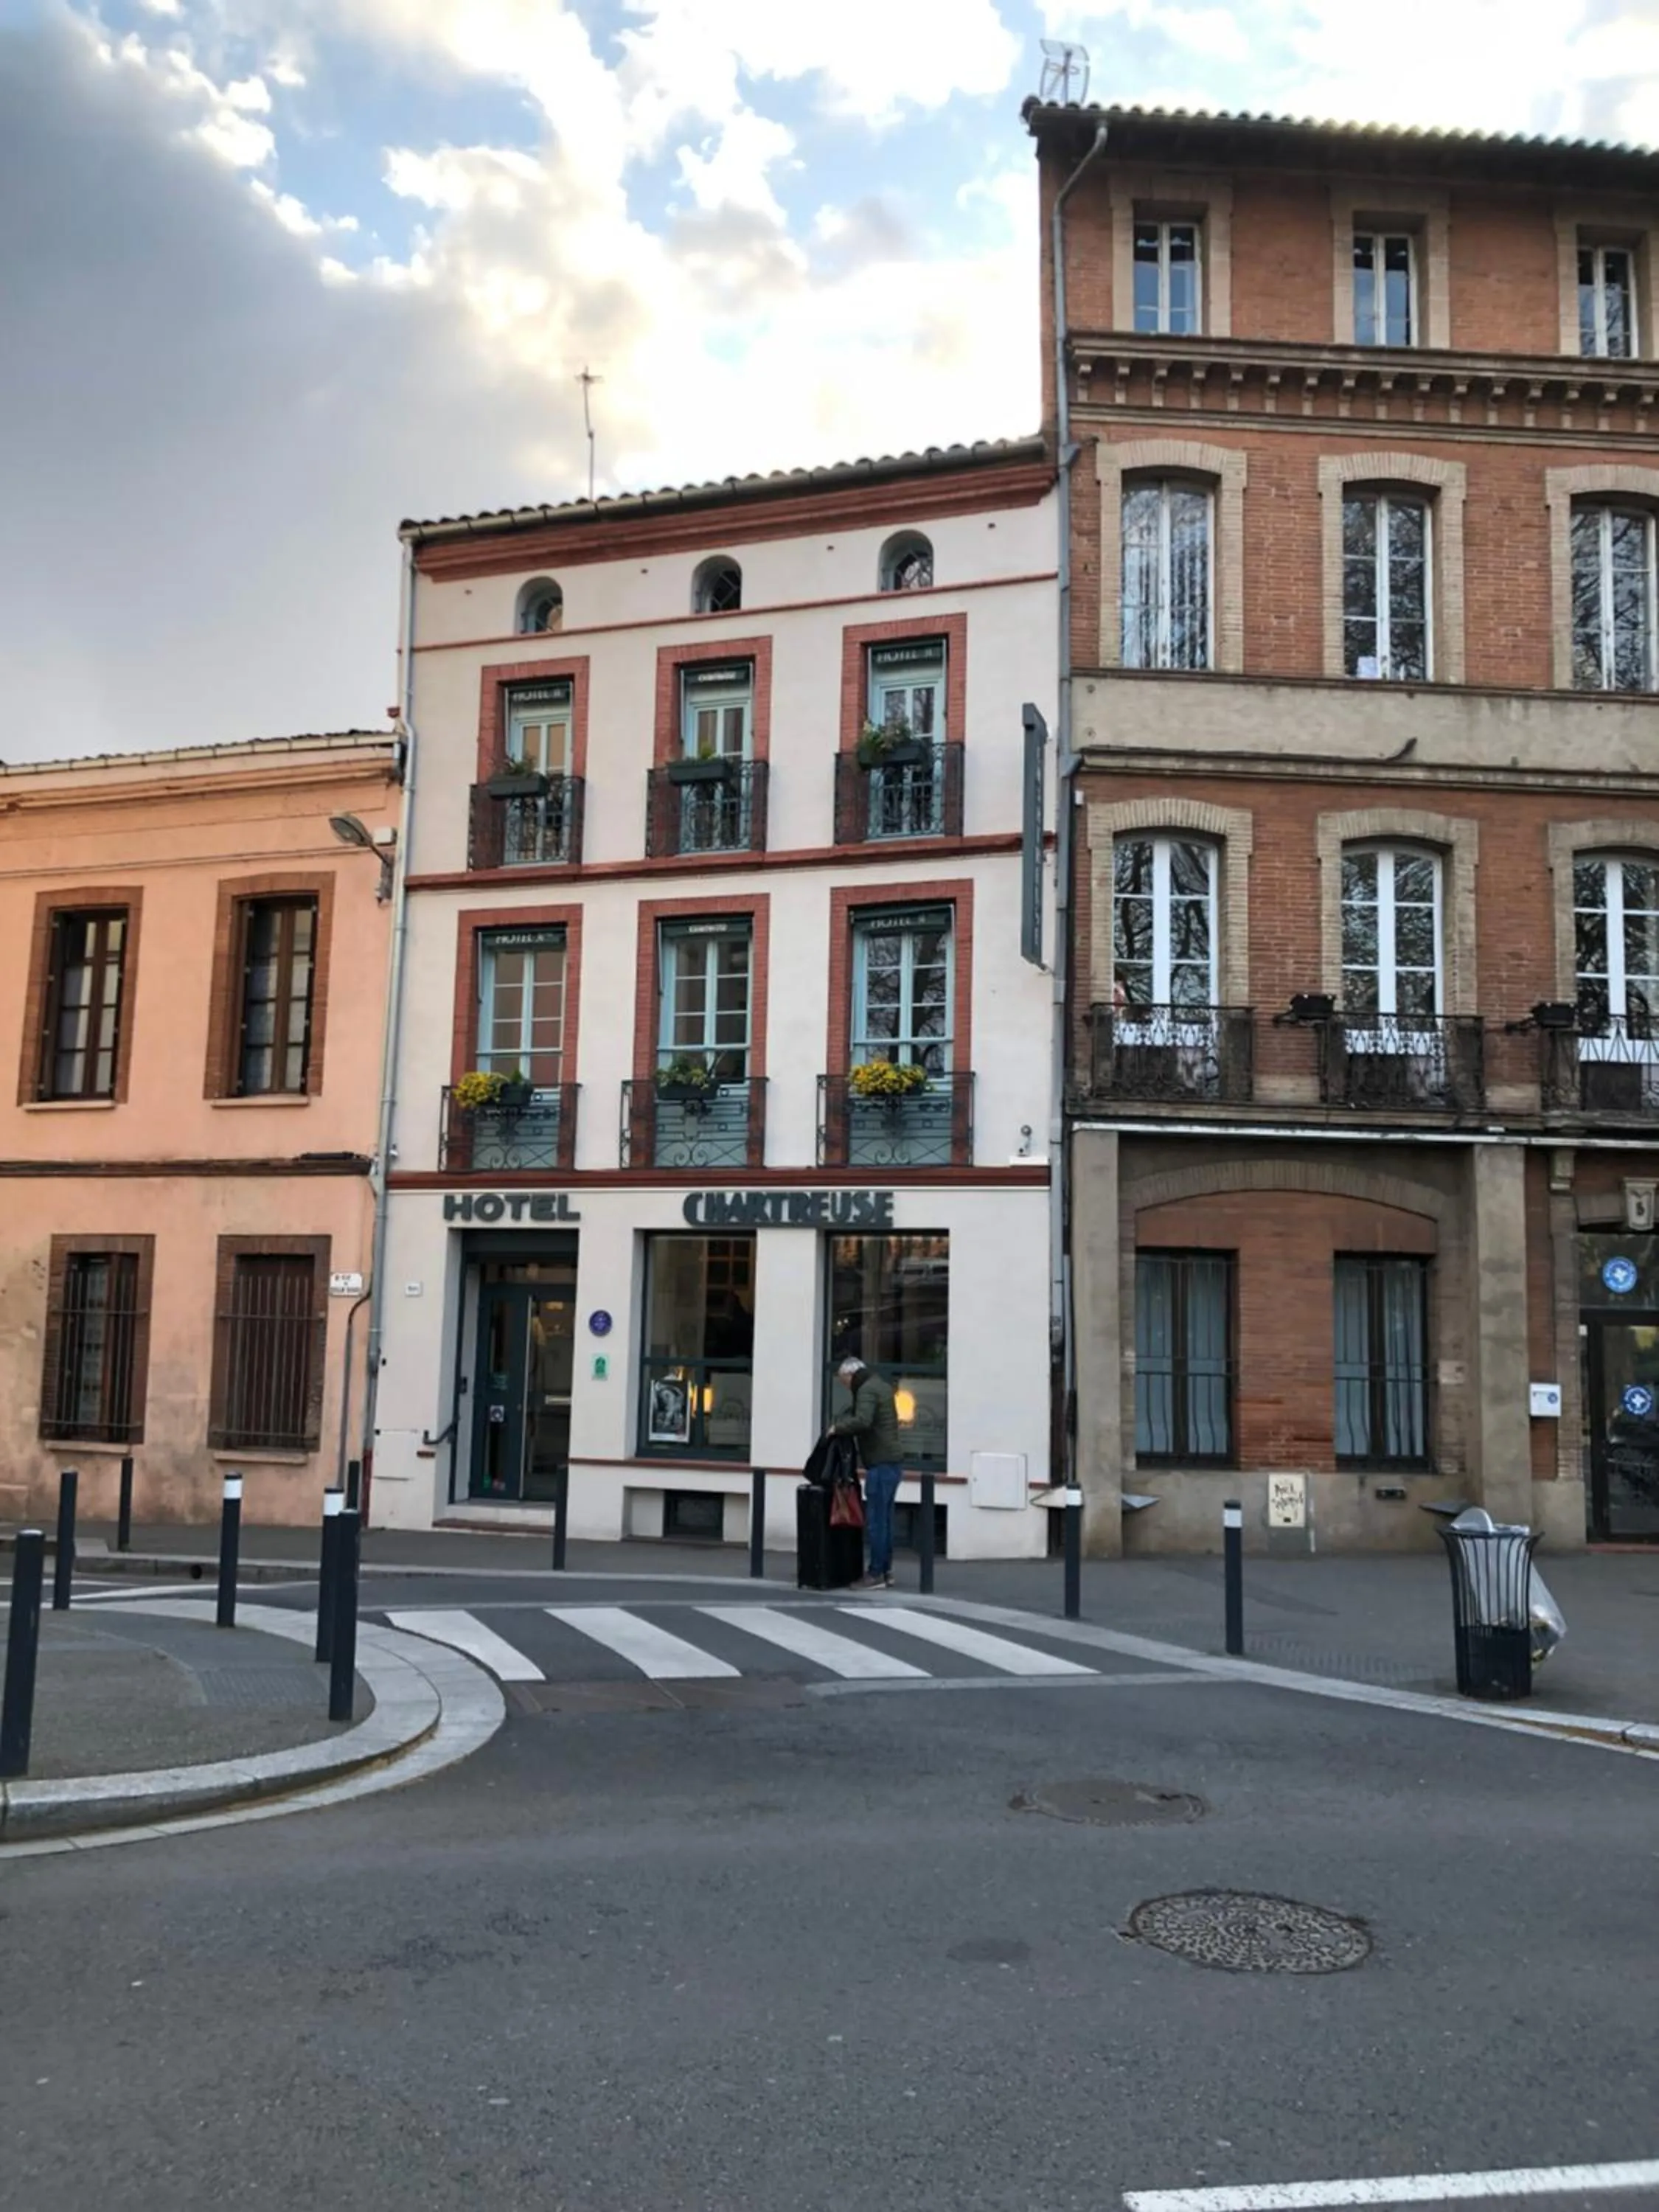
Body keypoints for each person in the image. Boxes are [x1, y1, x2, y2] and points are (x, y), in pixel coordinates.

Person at [832, 1353, 902, 1590]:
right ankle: (887, 1570)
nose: (845, 1386)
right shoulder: (880, 1384)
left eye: (844, 1382)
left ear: (851, 1375)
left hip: (880, 1463)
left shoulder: (866, 1389)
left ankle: (875, 1574)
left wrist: (836, 1429)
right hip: (891, 1462)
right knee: (886, 1521)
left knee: (876, 1522)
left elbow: (863, 1420)